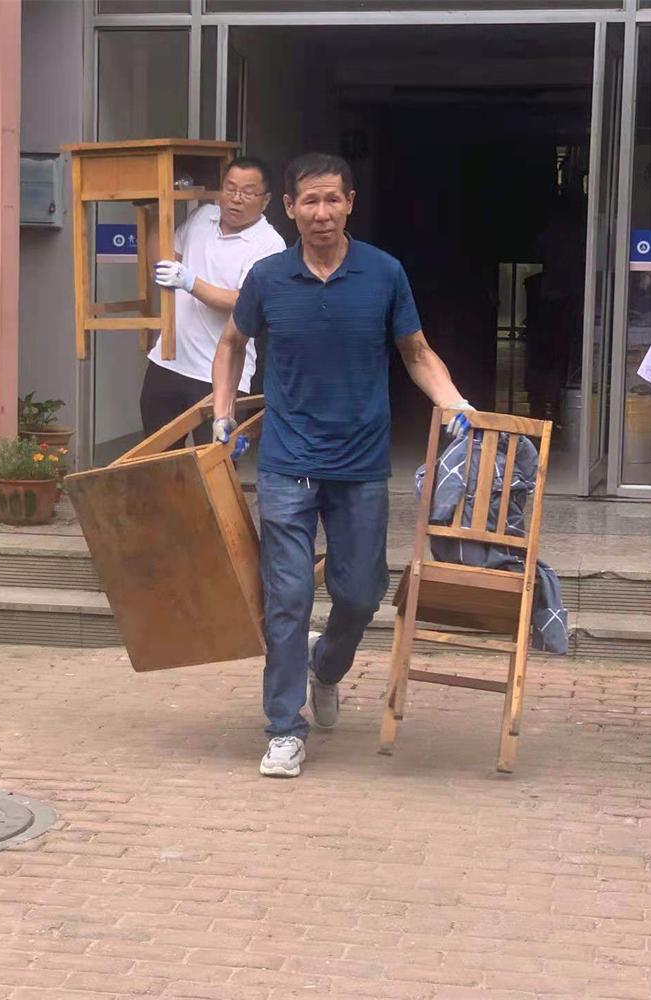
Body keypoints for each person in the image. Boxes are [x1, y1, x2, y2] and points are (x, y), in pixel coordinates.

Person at [211, 152, 475, 778]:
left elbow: (416, 352)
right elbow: (231, 344)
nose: (322, 212)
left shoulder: (383, 273)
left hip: (359, 465)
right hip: (287, 462)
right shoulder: (268, 277)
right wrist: (222, 411)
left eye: (333, 199)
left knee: (359, 594)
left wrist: (456, 403)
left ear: (350, 203)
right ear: (290, 208)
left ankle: (325, 665)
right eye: (310, 201)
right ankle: (283, 728)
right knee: (288, 597)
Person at [139, 157, 286, 447]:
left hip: (222, 376)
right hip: (168, 361)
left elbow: (244, 301)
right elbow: (165, 266)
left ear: (266, 200)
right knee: (157, 459)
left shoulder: (269, 243)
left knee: (214, 463)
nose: (236, 199)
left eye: (247, 192)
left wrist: (191, 282)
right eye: (230, 189)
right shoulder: (202, 217)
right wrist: (155, 211)